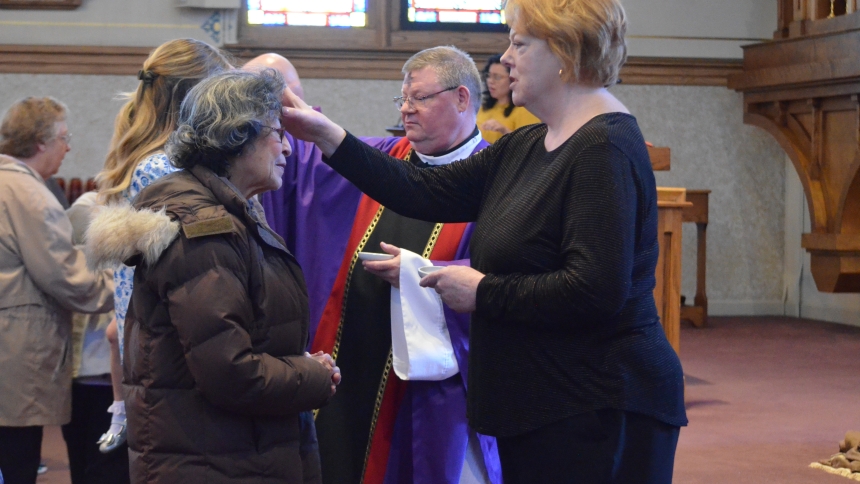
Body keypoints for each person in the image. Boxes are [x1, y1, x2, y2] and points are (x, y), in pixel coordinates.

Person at [279, 0, 688, 481]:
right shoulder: (529, 143)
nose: (505, 58)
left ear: (564, 52)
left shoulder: (603, 148)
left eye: (519, 44)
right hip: (545, 403)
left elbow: (595, 289)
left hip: (599, 406)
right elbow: (425, 189)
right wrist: (326, 135)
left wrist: (482, 292)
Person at [259, 46, 501, 484]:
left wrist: (419, 272)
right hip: (351, 360)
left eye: (419, 98)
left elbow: (507, 275)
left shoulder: (498, 179)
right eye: (402, 98)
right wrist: (275, 97)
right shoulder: (381, 159)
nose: (406, 109)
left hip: (430, 385)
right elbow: (307, 164)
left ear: (462, 98)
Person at [85, 69, 341, 484]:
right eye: (278, 132)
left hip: (232, 452)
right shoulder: (204, 232)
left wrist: (299, 365)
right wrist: (313, 377)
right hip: (215, 460)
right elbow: (230, 373)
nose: (288, 148)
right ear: (237, 136)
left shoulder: (231, 213)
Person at [92, 38, 233, 454]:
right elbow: (194, 270)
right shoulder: (163, 169)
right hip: (171, 355)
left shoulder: (157, 161)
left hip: (156, 351)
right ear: (197, 100)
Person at [0, 97, 114, 484]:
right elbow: (67, 279)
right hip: (16, 352)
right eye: (64, 138)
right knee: (17, 462)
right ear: (40, 142)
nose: (67, 148)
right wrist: (124, 285)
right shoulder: (30, 195)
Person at [61, 191, 129, 484]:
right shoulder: (86, 208)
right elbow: (71, 277)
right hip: (89, 369)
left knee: (106, 466)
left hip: (110, 374)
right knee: (88, 463)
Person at [476, 54, 539, 143]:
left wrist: (504, 130)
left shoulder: (525, 110)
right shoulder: (484, 107)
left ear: (513, 79)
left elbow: (529, 144)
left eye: (497, 77)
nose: (490, 81)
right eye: (488, 76)